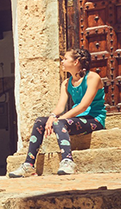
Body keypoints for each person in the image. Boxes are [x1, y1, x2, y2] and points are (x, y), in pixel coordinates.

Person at [9, 48, 106, 177]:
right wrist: (52, 117)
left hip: (94, 119)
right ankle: (29, 165)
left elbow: (83, 106)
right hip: (77, 119)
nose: (62, 62)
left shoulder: (93, 77)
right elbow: (60, 107)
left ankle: (67, 161)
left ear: (76, 62)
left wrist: (58, 120)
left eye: (65, 59)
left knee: (59, 123)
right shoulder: (66, 83)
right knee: (40, 121)